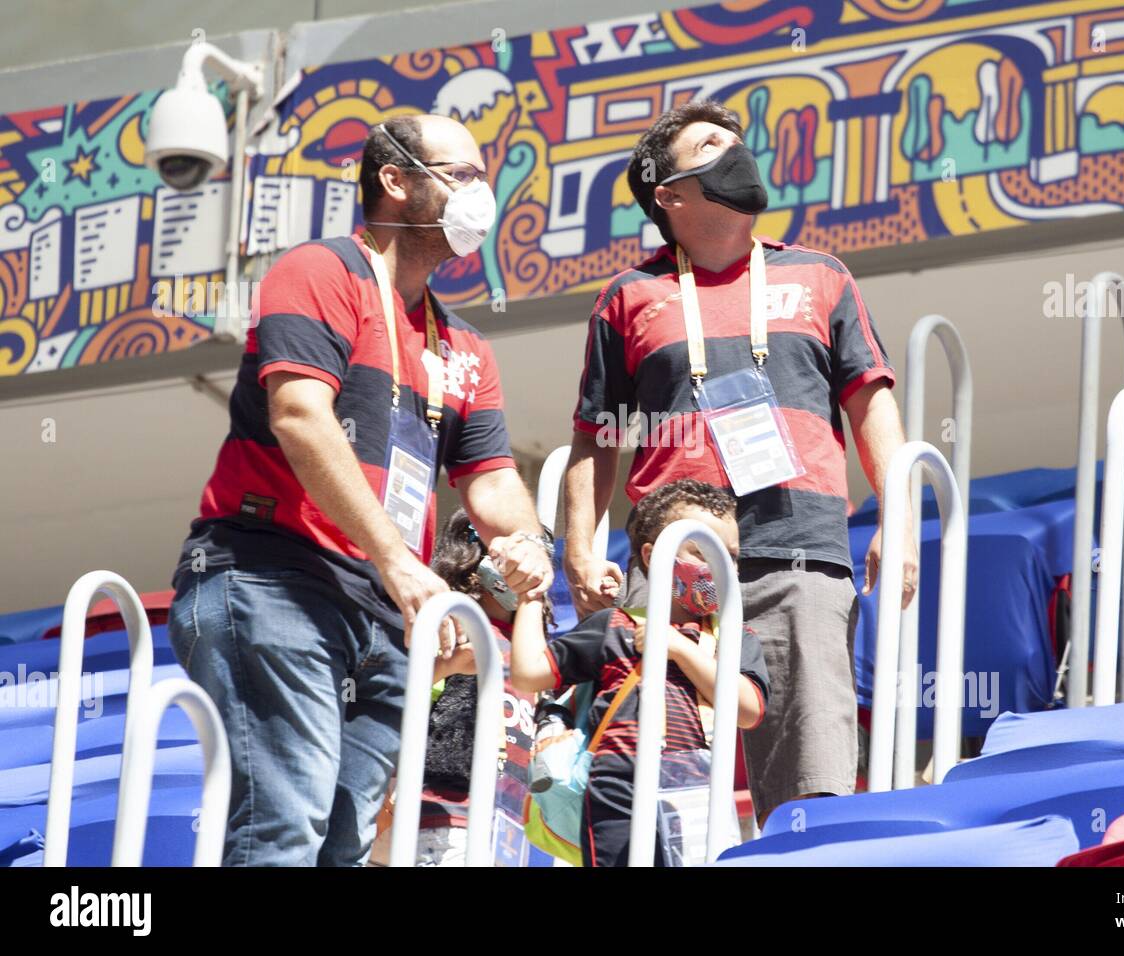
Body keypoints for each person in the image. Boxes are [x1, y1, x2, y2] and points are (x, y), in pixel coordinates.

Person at [168, 114, 553, 866]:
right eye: (461, 174)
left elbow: (494, 478)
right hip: (273, 579)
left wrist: (528, 542)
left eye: (485, 176)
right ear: (396, 179)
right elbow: (300, 419)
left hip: (381, 617)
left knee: (340, 848)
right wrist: (395, 557)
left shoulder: (463, 345)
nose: (482, 192)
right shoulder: (319, 271)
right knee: (285, 829)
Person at [561, 100, 917, 828]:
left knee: (812, 787)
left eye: (735, 140)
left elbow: (870, 403)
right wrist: (578, 549)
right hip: (671, 567)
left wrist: (900, 517)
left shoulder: (822, 276)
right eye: (713, 144)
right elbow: (597, 439)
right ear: (670, 192)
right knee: (651, 774)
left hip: (801, 558)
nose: (737, 151)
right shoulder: (629, 297)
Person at [511, 479, 770, 866]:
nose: (720, 567)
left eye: (730, 556)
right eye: (703, 552)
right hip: (617, 786)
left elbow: (749, 710)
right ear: (653, 555)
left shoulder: (732, 636)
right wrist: (529, 597)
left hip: (696, 791)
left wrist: (680, 648)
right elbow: (530, 673)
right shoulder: (614, 624)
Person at [370, 508, 553, 867]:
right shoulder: (448, 623)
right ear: (475, 557)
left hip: (506, 827)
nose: (529, 574)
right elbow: (389, 696)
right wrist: (449, 665)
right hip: (443, 814)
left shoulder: (531, 649)